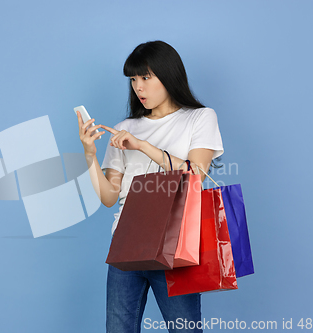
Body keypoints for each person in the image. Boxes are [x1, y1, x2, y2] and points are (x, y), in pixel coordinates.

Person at [76, 40, 223, 333]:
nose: (138, 87)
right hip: (126, 245)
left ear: (168, 75)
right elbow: (108, 197)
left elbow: (195, 175)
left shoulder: (200, 118)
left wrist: (143, 147)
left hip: (176, 246)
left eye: (146, 77)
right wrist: (89, 154)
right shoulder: (126, 127)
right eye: (133, 79)